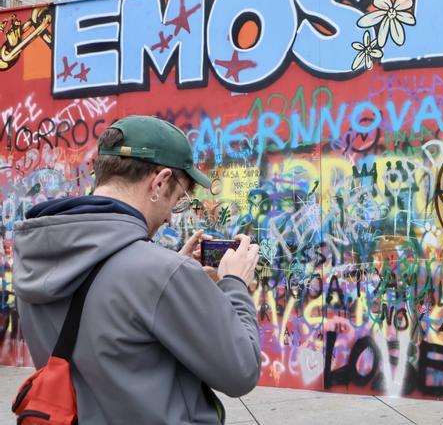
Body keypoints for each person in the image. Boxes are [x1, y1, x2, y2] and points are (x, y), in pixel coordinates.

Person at [13, 115, 261, 424]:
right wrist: (235, 283)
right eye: (179, 199)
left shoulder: (35, 258)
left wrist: (170, 265)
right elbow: (241, 372)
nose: (172, 217)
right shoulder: (163, 274)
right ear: (159, 181)